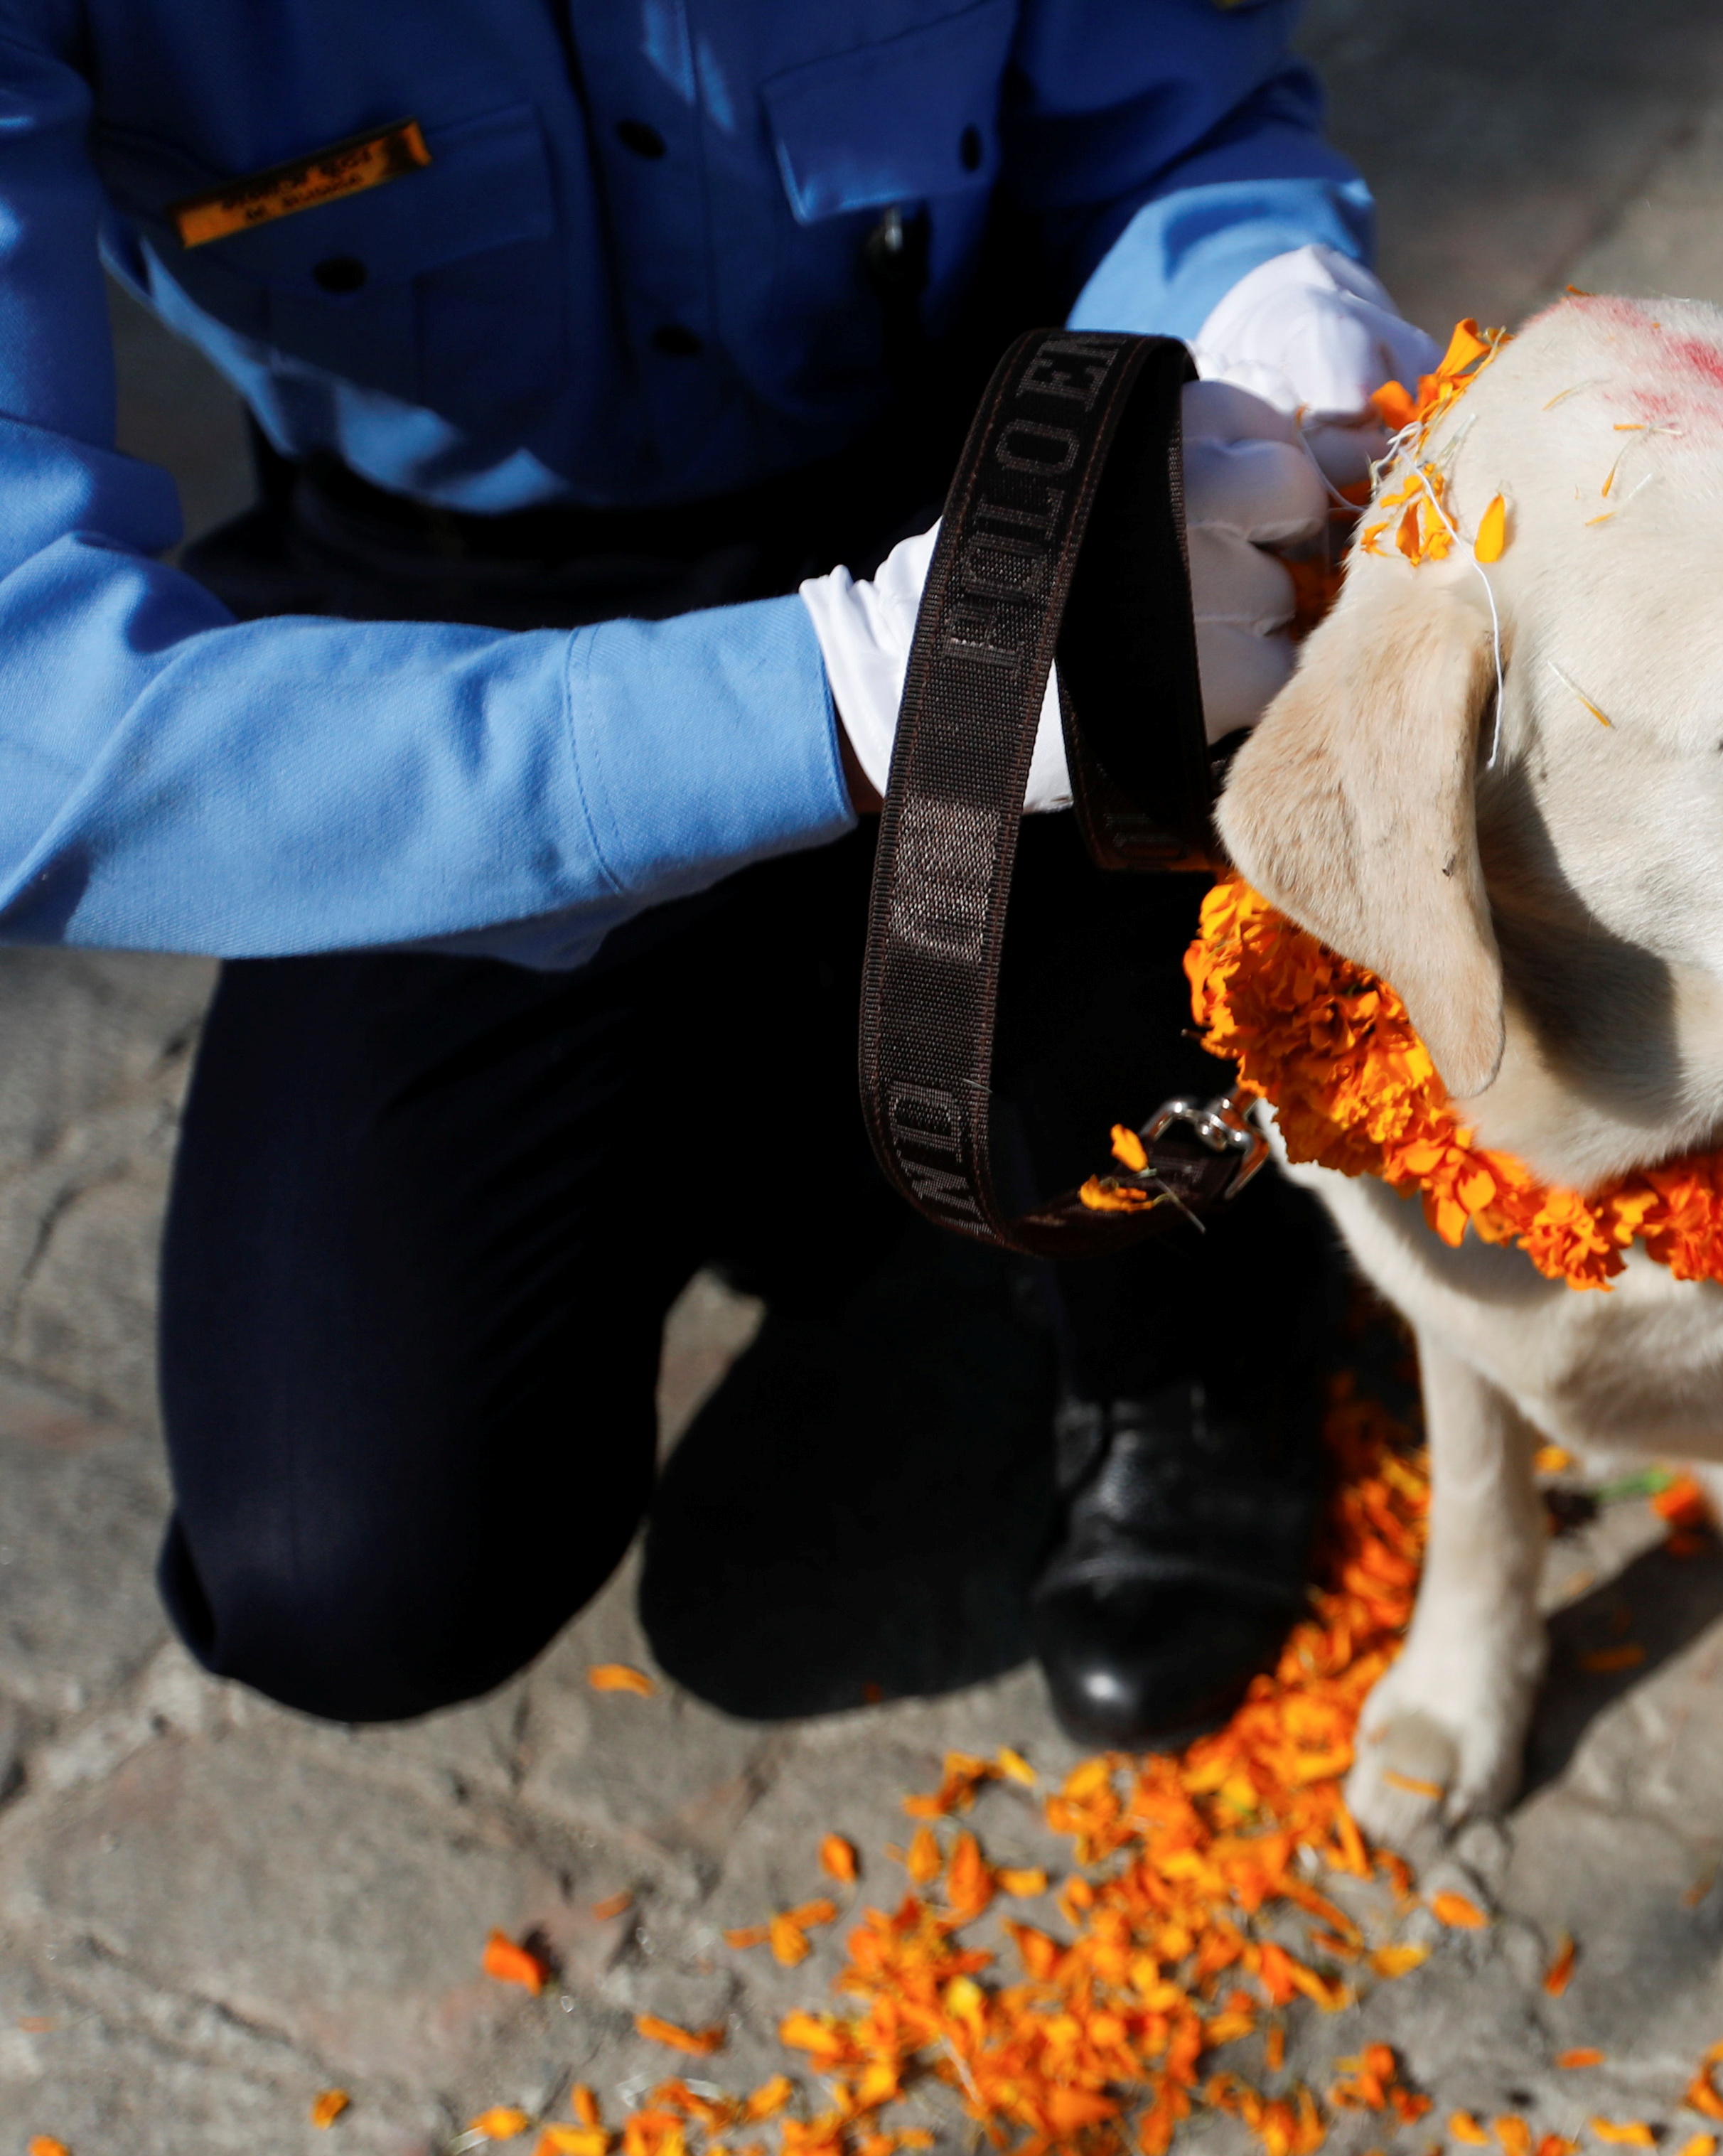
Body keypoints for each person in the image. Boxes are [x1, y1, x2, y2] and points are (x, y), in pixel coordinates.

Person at [0, 4, 1439, 1742]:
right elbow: (35, 720)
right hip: (454, 640)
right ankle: (790, 1104)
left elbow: (1172, 120)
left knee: (1222, 891)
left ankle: (1191, 1325)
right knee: (346, 1562)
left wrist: (1264, 296)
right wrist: (833, 698)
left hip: (978, 470)